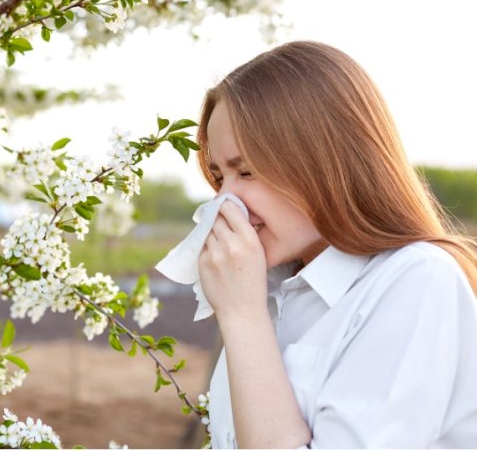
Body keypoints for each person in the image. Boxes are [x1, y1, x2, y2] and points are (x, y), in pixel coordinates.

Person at [196, 41, 477, 448]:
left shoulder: (416, 280)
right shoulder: (273, 290)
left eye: (248, 171)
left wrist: (242, 317)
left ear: (324, 160)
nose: (226, 202)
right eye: (220, 177)